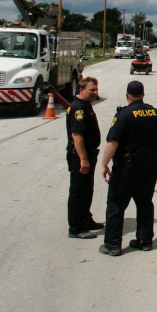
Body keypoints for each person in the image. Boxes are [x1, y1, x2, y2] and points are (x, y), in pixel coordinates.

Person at [99, 80, 157, 256]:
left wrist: (104, 164)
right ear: (143, 95)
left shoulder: (124, 114)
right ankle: (145, 240)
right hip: (151, 163)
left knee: (116, 203)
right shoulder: (154, 112)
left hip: (129, 165)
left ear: (127, 96)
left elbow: (112, 142)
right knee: (145, 201)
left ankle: (112, 244)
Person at [66, 76, 102, 239]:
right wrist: (83, 159)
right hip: (81, 155)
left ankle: (86, 219)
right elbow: (77, 135)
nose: (95, 93)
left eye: (96, 89)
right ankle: (76, 227)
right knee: (78, 190)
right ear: (81, 90)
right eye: (91, 90)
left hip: (89, 153)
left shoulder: (86, 105)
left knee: (87, 189)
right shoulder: (78, 108)